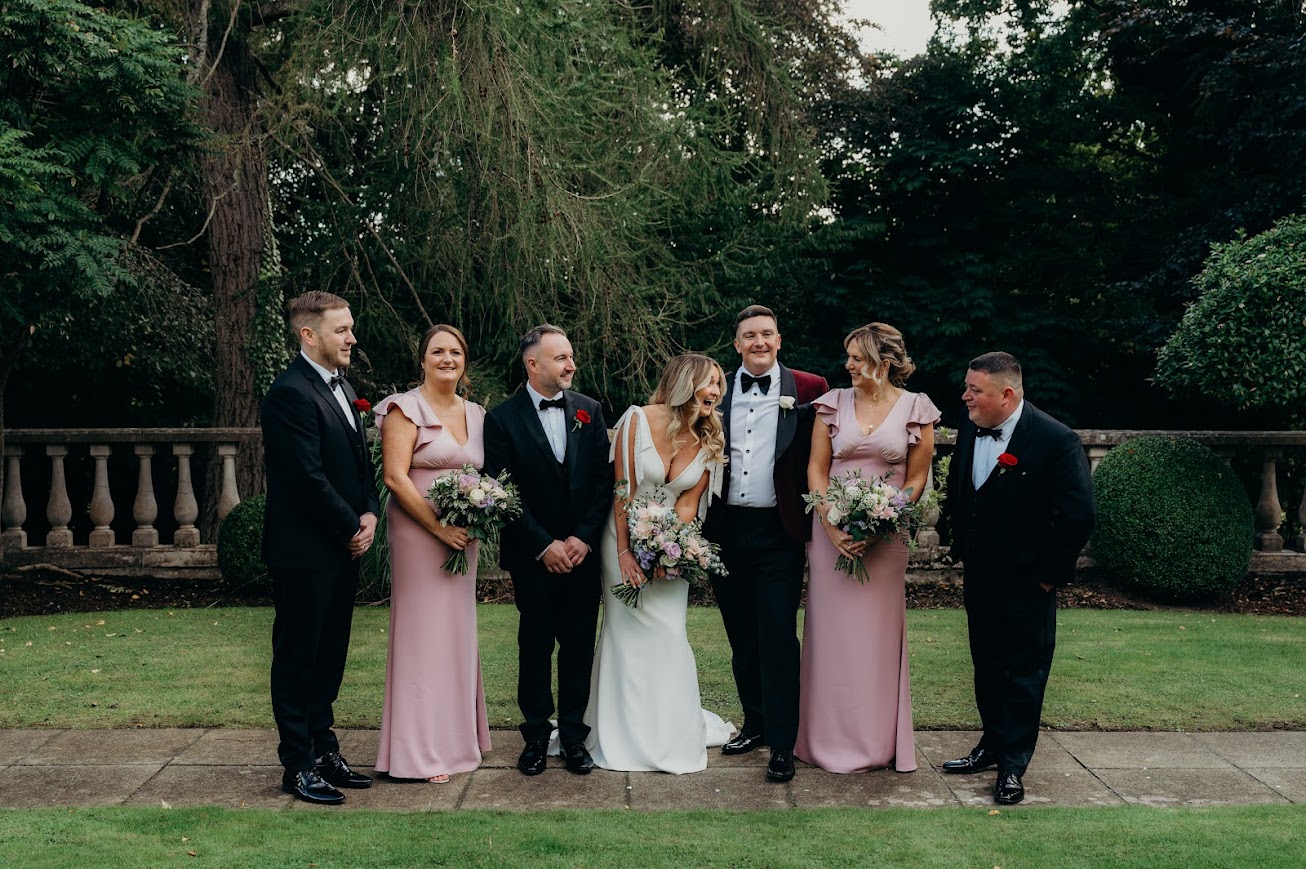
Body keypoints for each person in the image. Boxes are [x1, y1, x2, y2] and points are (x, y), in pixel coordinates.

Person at [943, 351, 1095, 805]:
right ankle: (990, 746)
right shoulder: (972, 428)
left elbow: (1078, 515)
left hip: (1030, 583)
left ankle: (1013, 767)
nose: (965, 396)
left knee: (1024, 674)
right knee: (987, 666)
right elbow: (960, 490)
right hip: (980, 577)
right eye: (968, 387)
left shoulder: (1055, 439)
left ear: (1006, 394)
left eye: (975, 390)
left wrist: (1049, 576)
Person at [795, 323, 939, 774]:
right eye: (849, 357)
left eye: (857, 357)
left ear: (885, 361)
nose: (849, 365)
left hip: (887, 538)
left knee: (876, 638)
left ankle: (877, 742)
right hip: (830, 534)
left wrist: (885, 521)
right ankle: (822, 739)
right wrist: (830, 525)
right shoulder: (831, 404)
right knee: (830, 635)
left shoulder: (918, 409)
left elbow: (915, 478)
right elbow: (816, 470)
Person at [584, 354, 735, 773]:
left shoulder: (708, 437)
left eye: (719, 385)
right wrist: (627, 551)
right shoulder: (638, 419)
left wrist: (673, 547)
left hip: (670, 544)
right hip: (623, 535)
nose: (716, 392)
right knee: (626, 631)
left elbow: (688, 503)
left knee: (669, 632)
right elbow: (622, 490)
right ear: (686, 383)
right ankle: (620, 734)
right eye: (710, 383)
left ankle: (667, 731)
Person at [261, 291, 380, 805]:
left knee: (330, 655)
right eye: (341, 330)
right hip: (305, 551)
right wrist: (350, 525)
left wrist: (372, 511)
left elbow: (359, 463)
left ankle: (325, 747)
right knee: (298, 658)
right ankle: (298, 764)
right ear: (309, 335)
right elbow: (304, 476)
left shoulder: (342, 387)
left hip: (341, 548)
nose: (351, 338)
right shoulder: (290, 393)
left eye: (351, 328)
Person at [705, 304, 829, 783]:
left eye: (766, 334)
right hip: (726, 529)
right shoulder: (712, 389)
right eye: (749, 336)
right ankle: (753, 722)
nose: (758, 342)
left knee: (777, 634)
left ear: (779, 340)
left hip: (780, 531)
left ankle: (783, 741)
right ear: (737, 344)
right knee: (740, 636)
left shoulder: (811, 389)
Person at [483, 325, 613, 776]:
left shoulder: (590, 411)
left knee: (579, 648)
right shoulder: (500, 419)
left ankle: (575, 737)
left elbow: (603, 482)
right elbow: (502, 491)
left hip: (582, 554)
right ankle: (536, 735)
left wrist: (580, 537)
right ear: (532, 364)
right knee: (535, 646)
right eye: (560, 358)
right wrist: (543, 545)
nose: (571, 365)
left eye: (571, 356)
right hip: (532, 557)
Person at [372, 325, 492, 784]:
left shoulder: (477, 413)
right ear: (422, 360)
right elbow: (395, 477)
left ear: (465, 361)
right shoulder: (406, 409)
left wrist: (481, 513)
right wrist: (439, 527)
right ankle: (419, 753)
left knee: (456, 634)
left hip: (464, 536)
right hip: (421, 534)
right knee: (423, 636)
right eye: (437, 351)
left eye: (455, 352)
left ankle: (458, 741)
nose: (447, 358)